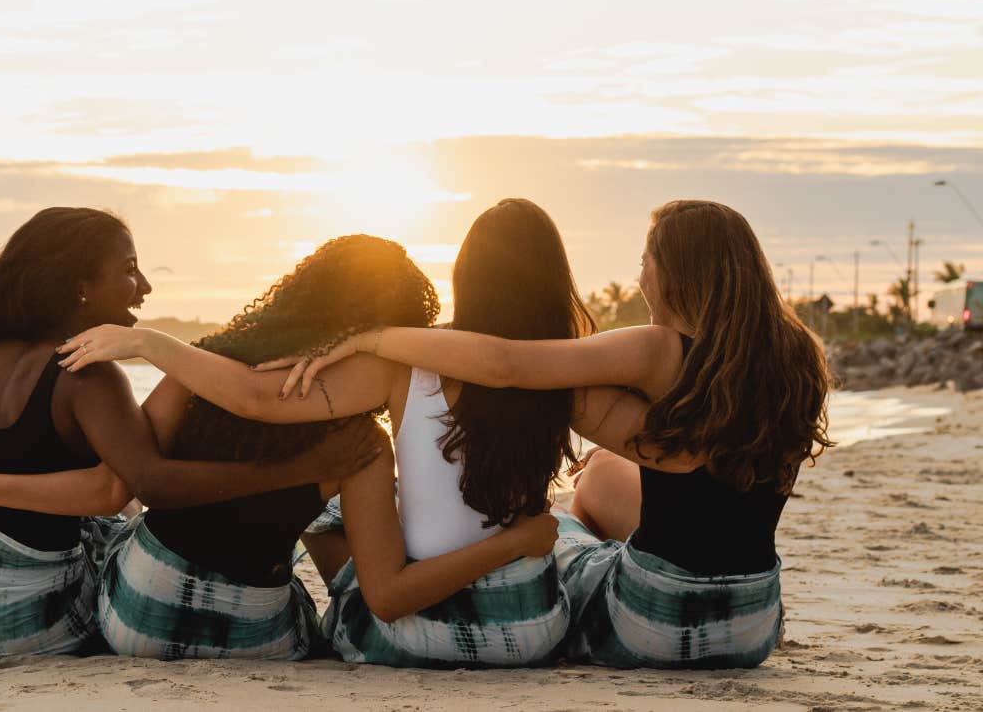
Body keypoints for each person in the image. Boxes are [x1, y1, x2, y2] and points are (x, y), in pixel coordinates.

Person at [57, 200, 669, 668]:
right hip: (532, 632)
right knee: (566, 531)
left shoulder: (395, 365)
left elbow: (255, 396)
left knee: (337, 533)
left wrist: (149, 344)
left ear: (466, 275)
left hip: (411, 633)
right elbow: (666, 447)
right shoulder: (567, 375)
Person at [257, 199, 834, 669]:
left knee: (564, 537)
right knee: (604, 473)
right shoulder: (798, 356)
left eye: (646, 259)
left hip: (651, 622)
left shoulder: (657, 348)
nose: (639, 276)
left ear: (679, 270)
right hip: (755, 620)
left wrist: (374, 338)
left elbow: (507, 365)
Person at [0, 233, 561, 661]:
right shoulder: (359, 443)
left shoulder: (202, 363)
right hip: (252, 632)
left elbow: (120, 477)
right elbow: (386, 594)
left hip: (133, 620)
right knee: (318, 556)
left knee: (117, 539)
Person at [0, 208, 379, 665]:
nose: (145, 286)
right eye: (130, 269)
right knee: (128, 544)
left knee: (108, 527)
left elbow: (103, 485)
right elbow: (138, 486)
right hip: (13, 622)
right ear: (80, 286)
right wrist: (306, 468)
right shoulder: (88, 375)